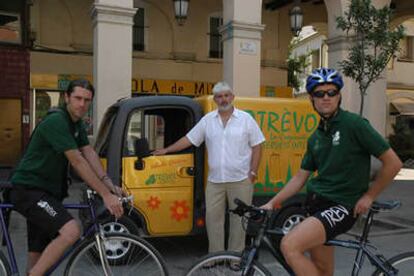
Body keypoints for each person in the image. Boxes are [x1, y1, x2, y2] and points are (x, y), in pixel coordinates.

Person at [261, 68, 402, 276]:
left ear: (339, 96)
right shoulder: (316, 137)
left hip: (342, 205)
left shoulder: (354, 124)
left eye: (332, 92)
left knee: (289, 245)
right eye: (319, 93)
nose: (326, 97)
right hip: (316, 204)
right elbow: (300, 177)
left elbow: (393, 163)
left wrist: (370, 196)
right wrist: (272, 202)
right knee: (323, 270)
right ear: (311, 98)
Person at [9, 79, 124, 276]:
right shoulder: (57, 121)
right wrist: (105, 195)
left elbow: (89, 153)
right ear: (66, 98)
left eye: (87, 100)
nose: (82, 104)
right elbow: (78, 161)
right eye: (78, 98)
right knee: (72, 231)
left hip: (47, 194)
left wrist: (108, 183)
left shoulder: (76, 124)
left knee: (38, 259)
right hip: (29, 190)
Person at [153, 81, 265, 253]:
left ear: (232, 97)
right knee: (213, 220)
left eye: (226, 95)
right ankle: (216, 256)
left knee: (239, 221)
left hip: (241, 179)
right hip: (215, 181)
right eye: (219, 96)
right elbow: (189, 139)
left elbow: (258, 145)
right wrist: (167, 150)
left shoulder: (246, 119)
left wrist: (253, 172)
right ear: (215, 99)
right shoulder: (208, 120)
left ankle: (236, 256)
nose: (223, 99)